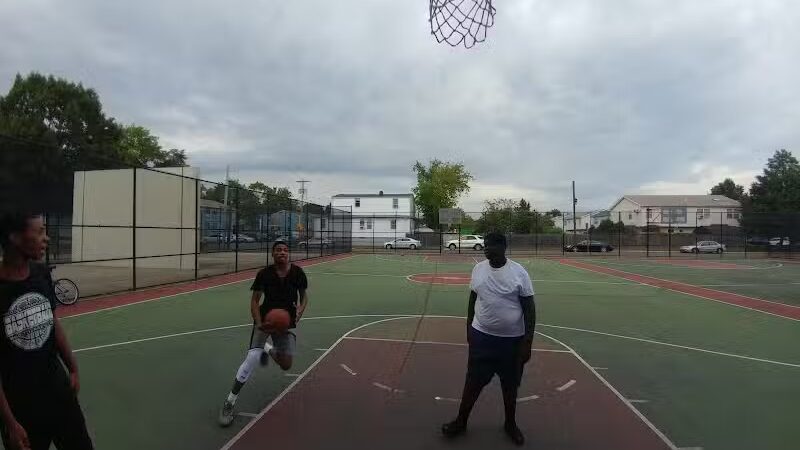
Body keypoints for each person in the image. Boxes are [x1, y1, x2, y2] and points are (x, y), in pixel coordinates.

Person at [0, 212, 93, 450]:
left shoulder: (41, 274)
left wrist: (72, 367)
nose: (46, 238)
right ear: (15, 238)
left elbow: (53, 323)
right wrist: (10, 423)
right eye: (39, 231)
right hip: (21, 406)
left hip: (58, 392)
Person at [442, 232, 535, 446]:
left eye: (491, 245)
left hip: (511, 342)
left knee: (510, 386)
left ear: (503, 247)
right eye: (485, 245)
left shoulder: (519, 272)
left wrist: (527, 343)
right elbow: (473, 298)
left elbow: (530, 310)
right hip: (481, 338)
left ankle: (510, 425)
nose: (486, 249)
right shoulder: (478, 269)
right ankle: (461, 421)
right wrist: (468, 327)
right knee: (472, 382)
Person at [218, 241, 309, 427]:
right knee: (252, 357)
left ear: (288, 253)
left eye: (285, 250)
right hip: (266, 320)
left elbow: (304, 296)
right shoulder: (264, 274)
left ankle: (267, 348)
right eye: (278, 250)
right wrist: (259, 324)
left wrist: (300, 309)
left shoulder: (298, 273)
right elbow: (254, 300)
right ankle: (229, 401)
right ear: (272, 254)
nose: (282, 252)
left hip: (285, 322)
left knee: (286, 364)